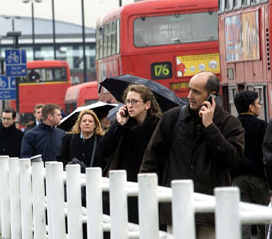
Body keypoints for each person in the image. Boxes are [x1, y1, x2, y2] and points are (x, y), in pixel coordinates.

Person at [140, 72, 244, 238]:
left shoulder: (230, 123)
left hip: (211, 212)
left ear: (212, 96)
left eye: (196, 92)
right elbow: (152, 160)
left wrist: (210, 127)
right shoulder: (171, 119)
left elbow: (232, 160)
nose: (189, 96)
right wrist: (147, 196)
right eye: (189, 90)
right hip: (176, 208)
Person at [98, 84, 162, 225]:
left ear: (147, 105)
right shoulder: (123, 125)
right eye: (127, 101)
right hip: (124, 187)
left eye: (134, 101)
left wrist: (127, 129)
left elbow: (147, 153)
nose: (129, 105)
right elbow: (102, 151)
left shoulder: (157, 127)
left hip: (150, 186)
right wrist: (119, 125)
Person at [231, 91, 269, 239]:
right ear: (251, 107)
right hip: (259, 179)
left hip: (237, 179)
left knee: (243, 219)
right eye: (258, 103)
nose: (259, 106)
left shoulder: (232, 125)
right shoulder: (262, 126)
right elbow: (266, 154)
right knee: (265, 217)